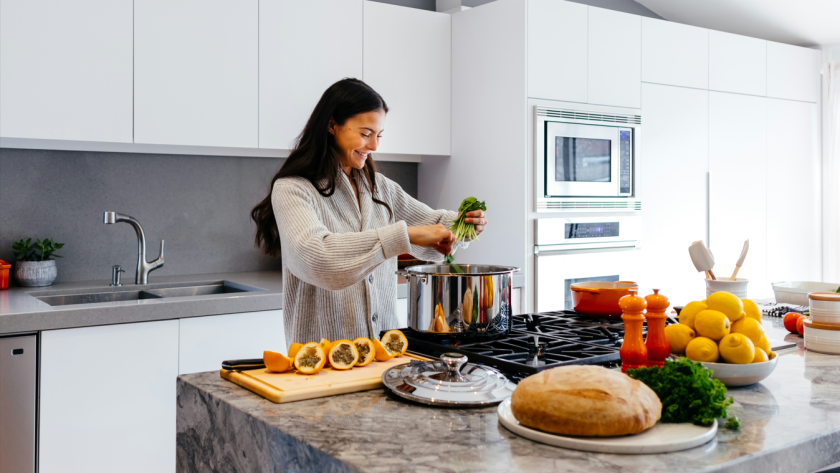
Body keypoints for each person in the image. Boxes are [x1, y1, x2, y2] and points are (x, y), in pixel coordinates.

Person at [251, 78, 488, 345]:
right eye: (365, 134)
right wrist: (403, 236)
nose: (374, 146)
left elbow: (431, 226)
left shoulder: (380, 187)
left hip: (387, 354)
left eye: (379, 135)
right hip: (322, 360)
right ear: (332, 125)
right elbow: (318, 259)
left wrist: (463, 225)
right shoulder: (293, 189)